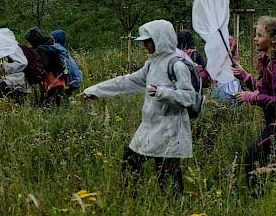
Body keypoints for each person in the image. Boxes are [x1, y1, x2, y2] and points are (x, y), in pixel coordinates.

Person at [80, 20, 194, 192]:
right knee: (130, 162)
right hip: (150, 127)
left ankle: (176, 211)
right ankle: (130, 201)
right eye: (144, 42)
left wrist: (161, 92)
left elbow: (188, 97)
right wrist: (95, 90)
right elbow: (126, 81)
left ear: (160, 39)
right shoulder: (151, 64)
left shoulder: (177, 65)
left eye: (148, 41)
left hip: (170, 130)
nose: (144, 46)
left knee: (167, 176)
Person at [235, 17, 276, 187]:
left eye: (259, 35)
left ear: (273, 39)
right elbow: (265, 88)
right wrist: (244, 75)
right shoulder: (270, 61)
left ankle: (256, 198)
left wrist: (253, 97)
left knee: (251, 157)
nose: (255, 38)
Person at [50, 29, 83, 95]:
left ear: (55, 39)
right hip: (77, 79)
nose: (49, 40)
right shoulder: (64, 51)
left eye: (51, 38)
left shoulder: (57, 48)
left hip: (70, 81)